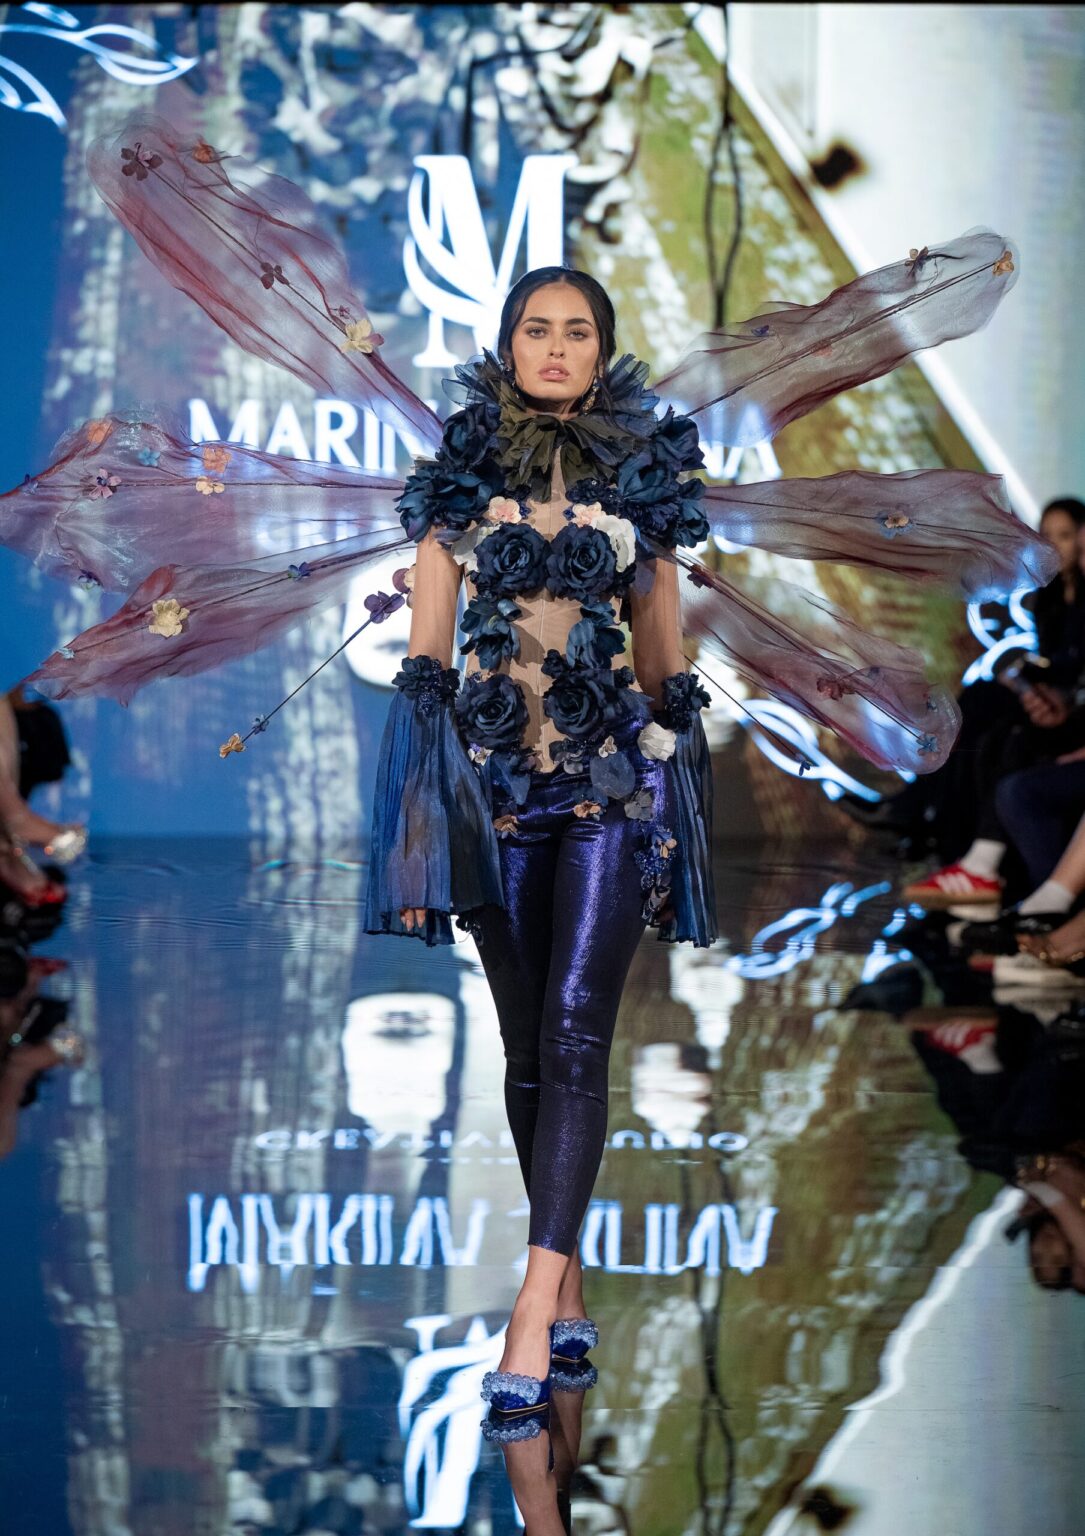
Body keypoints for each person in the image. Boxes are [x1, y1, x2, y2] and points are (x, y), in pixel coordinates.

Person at [0, 116, 1056, 1417]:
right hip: (492, 794)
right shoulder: (451, 481)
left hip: (610, 787)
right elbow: (427, 660)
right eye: (536, 330)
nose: (556, 349)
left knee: (574, 1029)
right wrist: (426, 772)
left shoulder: (653, 481)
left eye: (578, 332)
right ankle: (560, 1302)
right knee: (520, 1049)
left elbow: (665, 646)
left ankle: (530, 1295)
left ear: (603, 350)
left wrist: (670, 727)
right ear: (507, 345)